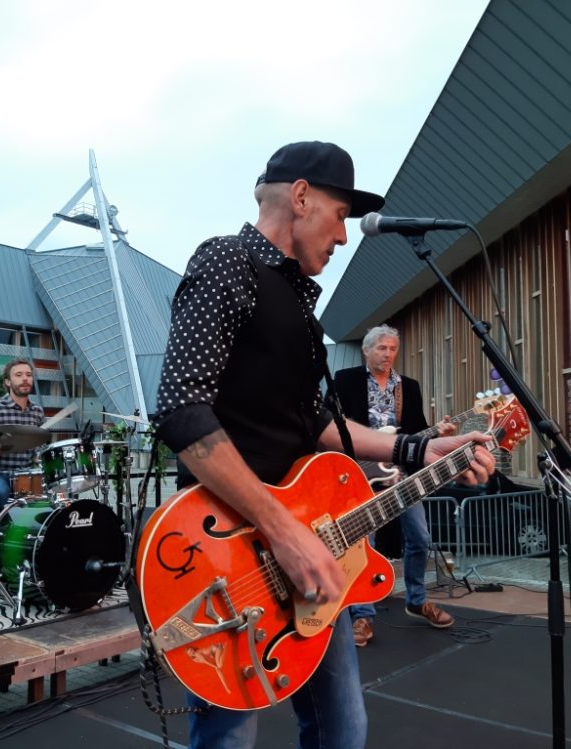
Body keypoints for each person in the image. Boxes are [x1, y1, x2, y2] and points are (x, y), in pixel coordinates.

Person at [152, 140, 495, 749]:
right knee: (229, 735)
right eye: (340, 215)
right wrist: (281, 530)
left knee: (343, 731)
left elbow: (310, 424)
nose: (343, 236)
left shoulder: (299, 304)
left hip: (312, 537)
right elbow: (181, 408)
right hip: (229, 553)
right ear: (302, 197)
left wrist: (416, 451)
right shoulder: (226, 263)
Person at [331, 325, 458, 648]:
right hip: (360, 474)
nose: (388, 355)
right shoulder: (345, 380)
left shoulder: (409, 388)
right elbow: (329, 424)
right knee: (364, 546)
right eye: (382, 349)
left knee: (420, 537)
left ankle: (416, 600)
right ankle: (362, 614)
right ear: (366, 350)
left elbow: (414, 432)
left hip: (402, 474)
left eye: (392, 349)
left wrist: (437, 431)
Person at [0, 358, 45, 522]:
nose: (25, 378)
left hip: (25, 473)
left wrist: (39, 455)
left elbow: (39, 444)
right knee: (1, 492)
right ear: (8, 381)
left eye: (28, 375)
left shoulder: (37, 411)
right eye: (18, 375)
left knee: (57, 492)